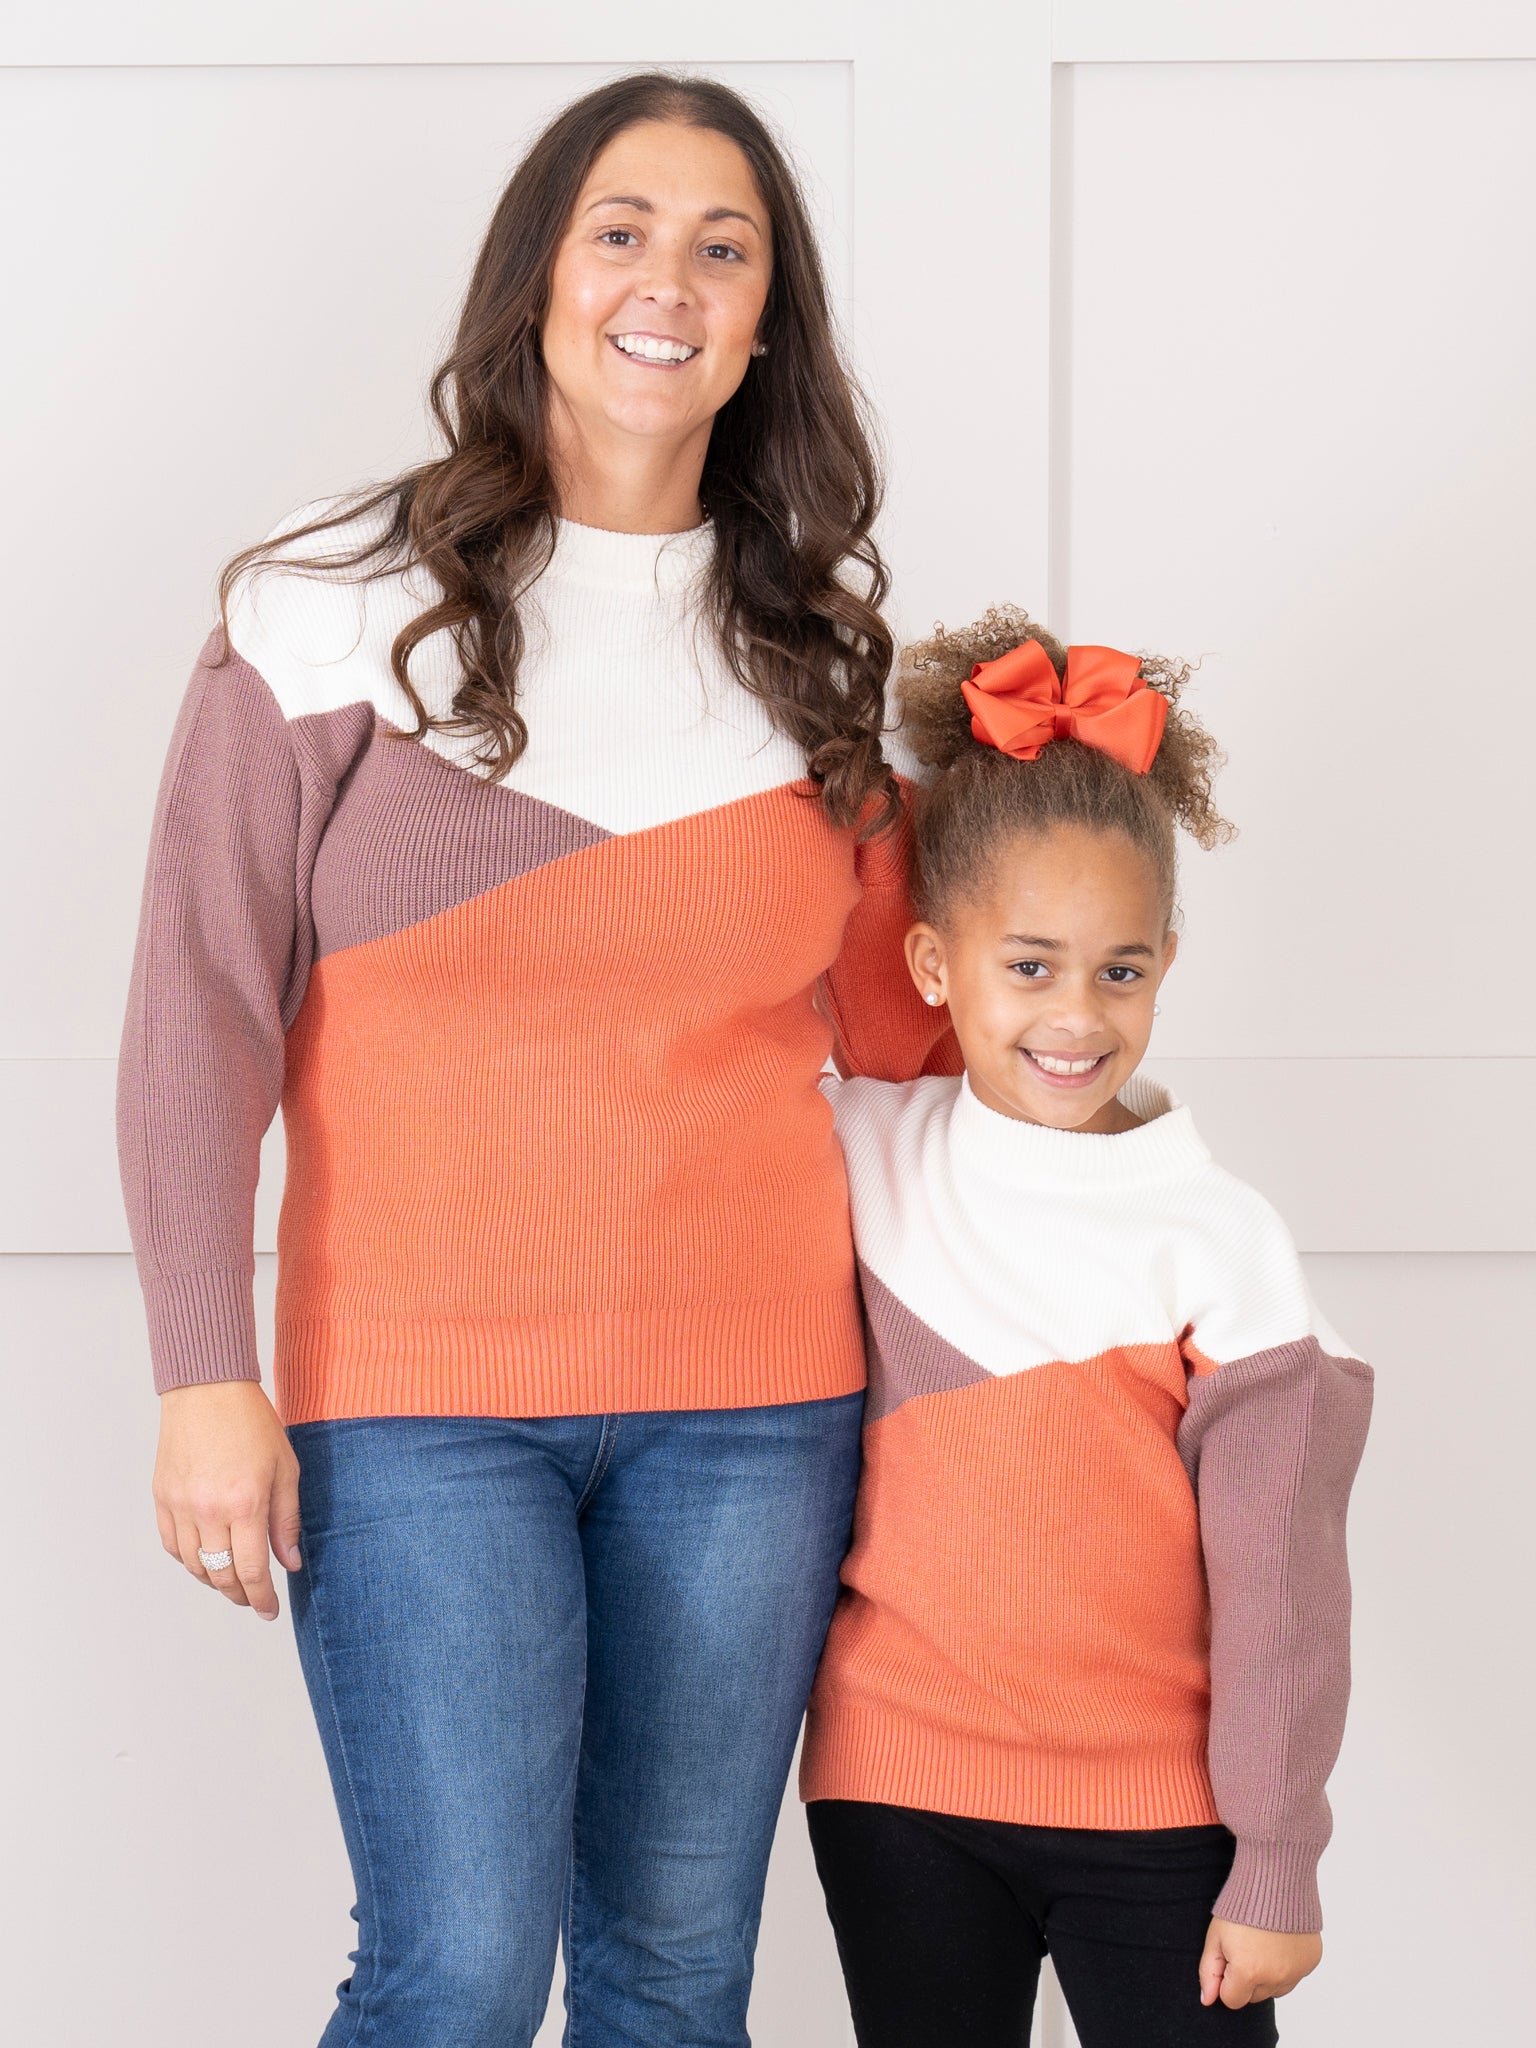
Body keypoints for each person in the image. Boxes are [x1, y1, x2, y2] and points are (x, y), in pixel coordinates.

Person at [118, 73, 952, 2048]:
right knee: (458, 1973)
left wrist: (1036, 798)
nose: (671, 281)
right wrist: (201, 1374)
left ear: (767, 324)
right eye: (623, 231)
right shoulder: (324, 605)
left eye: (725, 249)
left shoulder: (817, 659)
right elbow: (198, 1013)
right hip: (418, 1413)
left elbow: (909, 1035)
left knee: (675, 1976)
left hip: (758, 1416)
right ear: (536, 278)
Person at [799, 607, 1374, 2046]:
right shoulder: (860, 1147)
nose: (1076, 1016)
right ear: (934, 964)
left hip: (1161, 1816)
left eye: (1120, 968)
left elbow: (1282, 1590)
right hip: (899, 1792)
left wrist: (1278, 1856)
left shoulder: (1220, 1239)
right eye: (1029, 965)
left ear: (1167, 962)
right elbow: (775, 940)